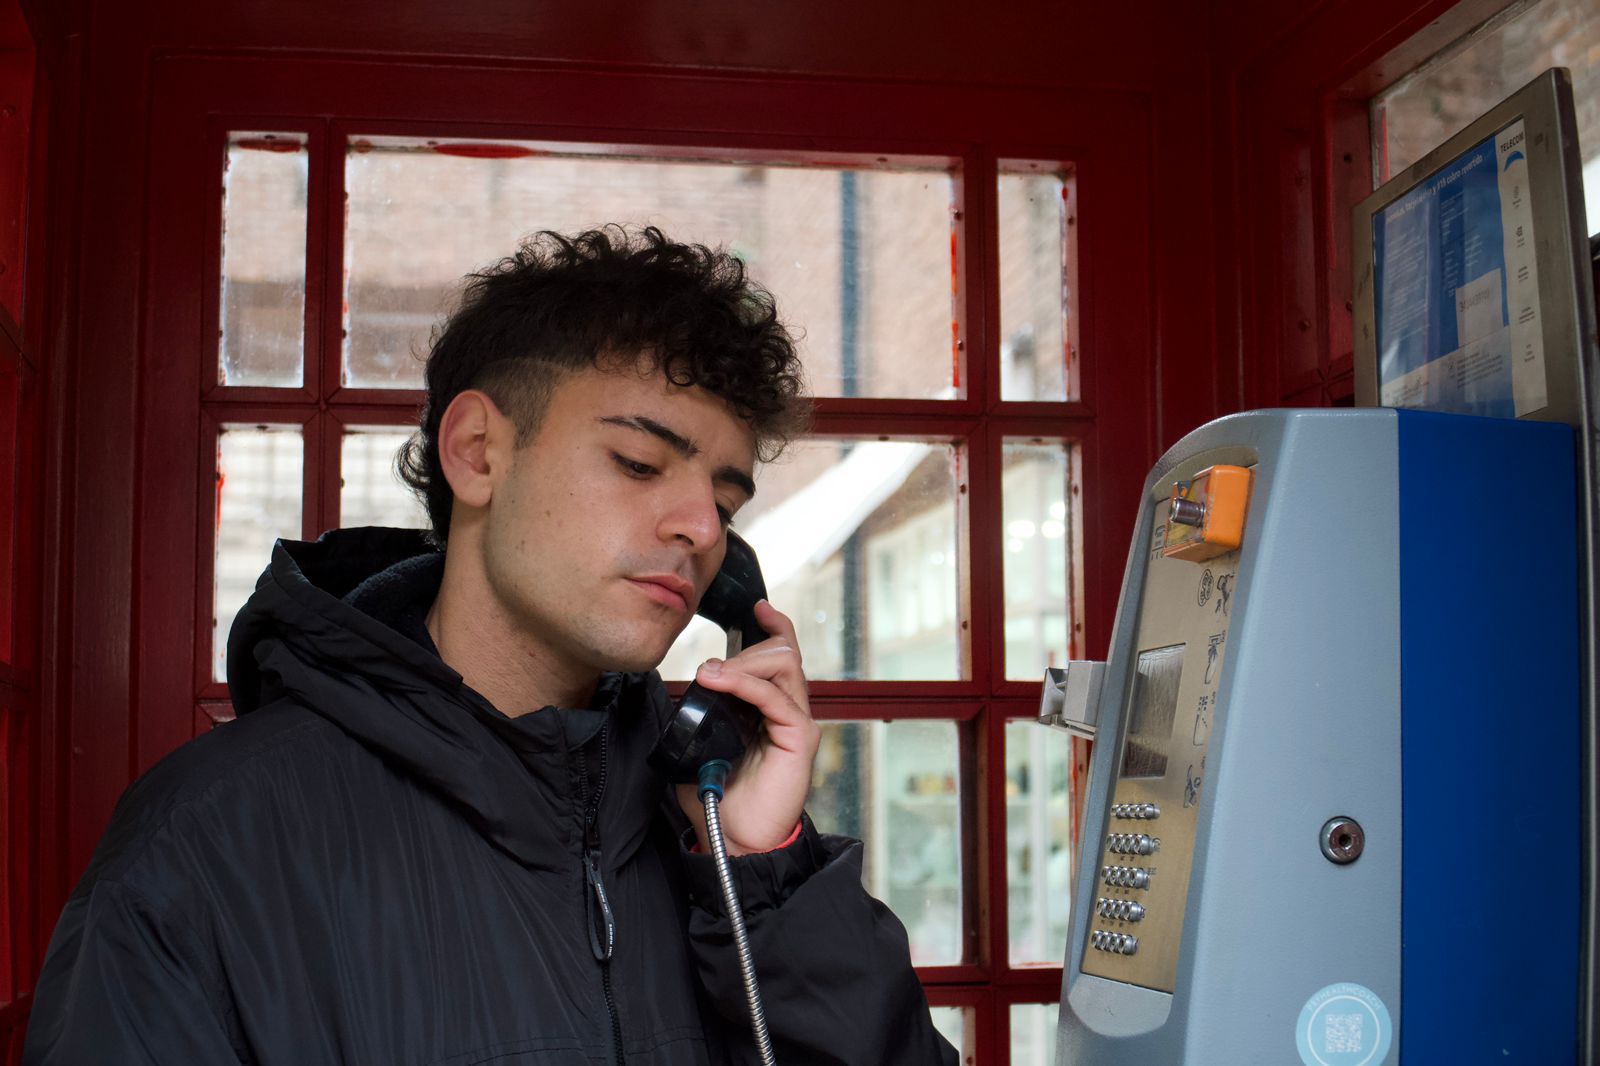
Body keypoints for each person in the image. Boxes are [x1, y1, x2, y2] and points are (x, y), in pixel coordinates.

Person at [24, 227, 958, 1065]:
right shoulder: (208, 839)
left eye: (724, 499)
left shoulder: (715, 834)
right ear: (476, 452)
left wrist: (767, 876)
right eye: (638, 463)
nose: (697, 528)